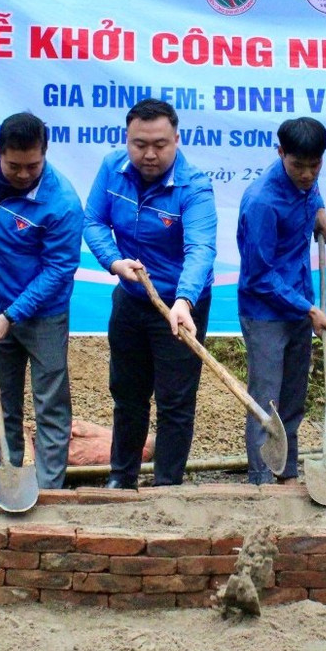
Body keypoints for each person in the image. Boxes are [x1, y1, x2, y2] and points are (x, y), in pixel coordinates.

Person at [83, 98, 217, 489]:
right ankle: (121, 480)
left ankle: (167, 486)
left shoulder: (194, 187)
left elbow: (201, 249)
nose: (150, 154)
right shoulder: (112, 168)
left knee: (175, 401)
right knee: (127, 395)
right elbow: (93, 220)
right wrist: (114, 262)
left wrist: (183, 300)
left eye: (160, 144)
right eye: (139, 144)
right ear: (127, 140)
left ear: (177, 139)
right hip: (131, 298)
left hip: (180, 308)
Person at [0, 112, 83, 490]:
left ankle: (48, 490)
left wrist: (13, 314)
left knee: (50, 405)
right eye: (15, 166)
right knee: (0, 398)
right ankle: (7, 479)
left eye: (33, 165)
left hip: (44, 315)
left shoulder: (62, 204)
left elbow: (59, 270)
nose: (24, 174)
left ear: (45, 153)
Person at [236, 117, 326, 485]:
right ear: (281, 154)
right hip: (266, 313)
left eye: (315, 166)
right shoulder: (262, 202)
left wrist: (318, 207)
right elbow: (259, 277)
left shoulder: (307, 182)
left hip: (298, 303)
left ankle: (287, 473)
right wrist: (309, 310)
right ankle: (262, 480)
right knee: (267, 401)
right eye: (298, 166)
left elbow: (312, 185)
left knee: (293, 397)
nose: (308, 174)